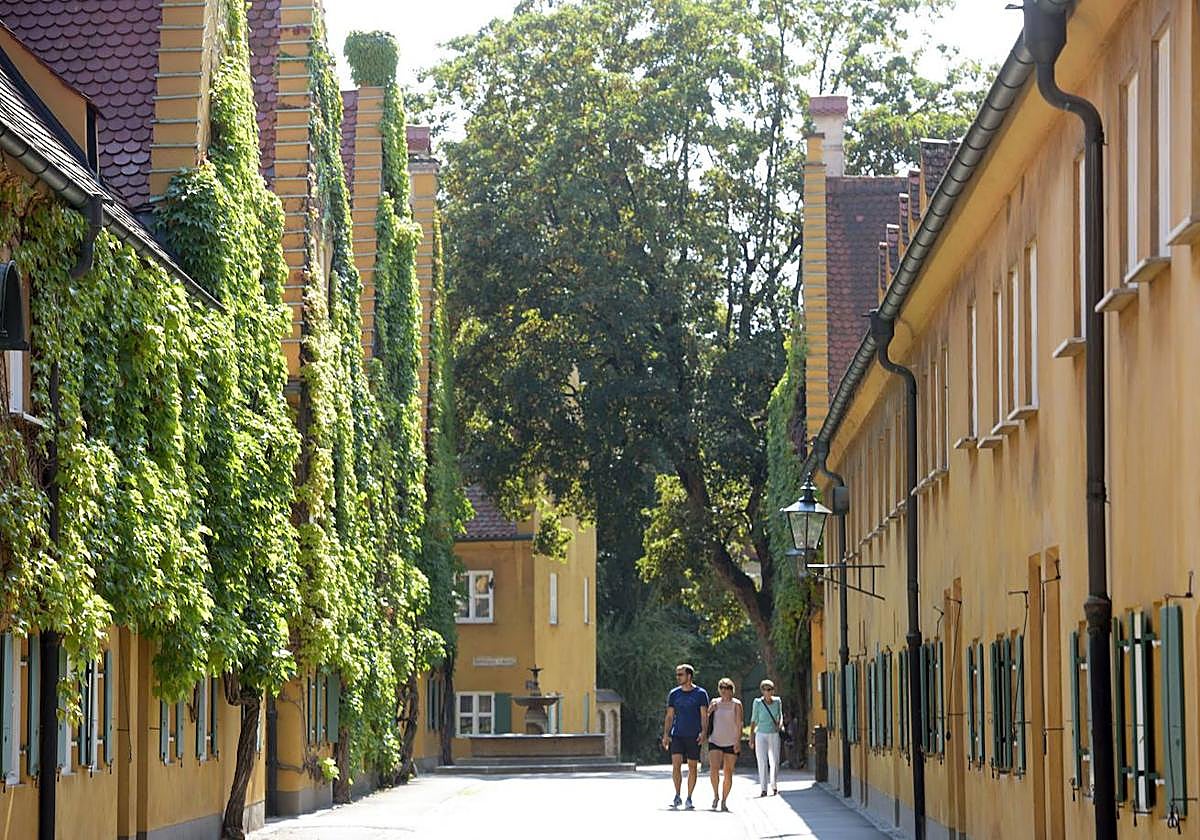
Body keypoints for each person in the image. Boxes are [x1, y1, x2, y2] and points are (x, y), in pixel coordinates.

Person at [661, 663, 709, 810]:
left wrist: (704, 732)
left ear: (689, 676)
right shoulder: (674, 694)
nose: (678, 677)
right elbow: (669, 716)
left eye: (680, 674)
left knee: (692, 766)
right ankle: (677, 795)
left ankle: (689, 797)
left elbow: (704, 715)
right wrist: (666, 734)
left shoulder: (700, 694)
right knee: (676, 765)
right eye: (677, 674)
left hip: (693, 735)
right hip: (677, 734)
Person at [706, 677, 742, 811]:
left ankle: (724, 800)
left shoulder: (736, 704)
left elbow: (739, 724)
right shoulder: (715, 702)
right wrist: (710, 710)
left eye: (727, 688)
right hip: (715, 740)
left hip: (731, 741)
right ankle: (716, 795)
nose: (724, 691)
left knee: (728, 771)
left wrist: (738, 741)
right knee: (714, 768)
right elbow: (706, 718)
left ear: (731, 690)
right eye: (721, 688)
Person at [748, 678, 784, 796]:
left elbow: (780, 715)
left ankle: (774, 785)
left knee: (775, 760)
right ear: (762, 691)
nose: (768, 692)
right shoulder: (757, 702)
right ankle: (763, 788)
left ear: (773, 691)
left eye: (770, 689)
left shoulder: (777, 701)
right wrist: (751, 737)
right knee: (762, 761)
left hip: (773, 733)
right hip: (761, 734)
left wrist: (780, 724)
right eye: (765, 689)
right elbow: (753, 720)